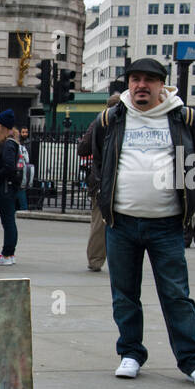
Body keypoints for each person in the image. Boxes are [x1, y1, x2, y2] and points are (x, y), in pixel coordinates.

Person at [88, 58, 195, 387]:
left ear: (162, 85)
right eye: (134, 79)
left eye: (148, 80)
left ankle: (193, 361)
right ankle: (130, 353)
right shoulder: (112, 117)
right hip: (122, 224)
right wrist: (101, 194)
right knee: (125, 294)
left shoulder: (185, 118)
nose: (140, 85)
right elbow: (91, 155)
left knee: (176, 295)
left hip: (167, 225)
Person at [79, 93, 119, 272]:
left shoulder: (99, 122)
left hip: (100, 178)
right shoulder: (129, 122)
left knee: (99, 221)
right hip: (123, 178)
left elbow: (83, 148)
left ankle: (95, 260)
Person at [0, 109, 21, 266]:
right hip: (8, 187)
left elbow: (9, 167)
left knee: (8, 221)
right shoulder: (12, 142)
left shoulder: (8, 144)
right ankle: (8, 252)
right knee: (8, 221)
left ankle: (8, 253)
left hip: (5, 187)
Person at [18, 126, 35, 211]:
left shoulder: (29, 143)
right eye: (23, 132)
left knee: (24, 187)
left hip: (26, 166)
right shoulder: (19, 143)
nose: (25, 134)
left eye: (26, 132)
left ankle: (25, 206)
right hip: (21, 167)